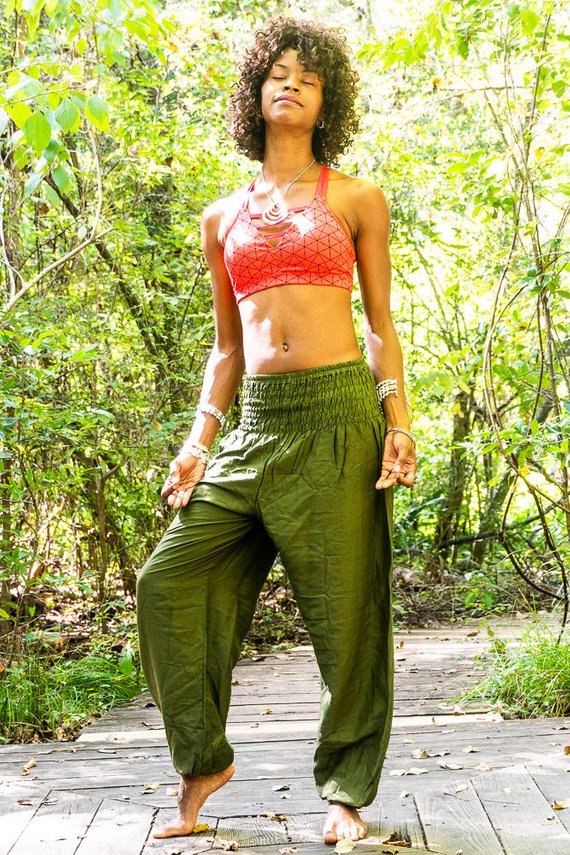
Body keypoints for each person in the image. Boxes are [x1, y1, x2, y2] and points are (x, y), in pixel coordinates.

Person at [136, 15, 417, 844]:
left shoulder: (356, 199)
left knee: (347, 616)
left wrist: (398, 421)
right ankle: (202, 761)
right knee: (167, 581)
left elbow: (380, 325)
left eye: (309, 77)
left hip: (337, 418)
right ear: (254, 94)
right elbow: (227, 349)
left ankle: (345, 794)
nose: (291, 84)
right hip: (254, 426)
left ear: (327, 101)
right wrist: (198, 444)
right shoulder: (221, 217)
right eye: (277, 74)